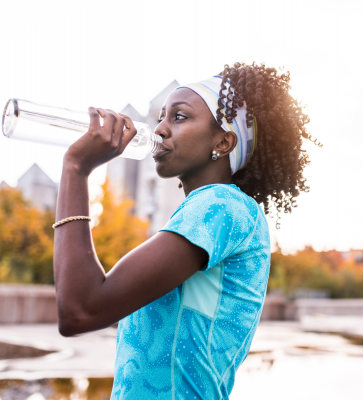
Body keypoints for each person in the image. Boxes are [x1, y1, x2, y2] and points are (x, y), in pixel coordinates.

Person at [54, 62, 316, 399]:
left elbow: (80, 310)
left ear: (223, 142)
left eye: (179, 117)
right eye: (161, 117)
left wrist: (75, 170)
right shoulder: (221, 211)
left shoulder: (220, 207)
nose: (160, 130)